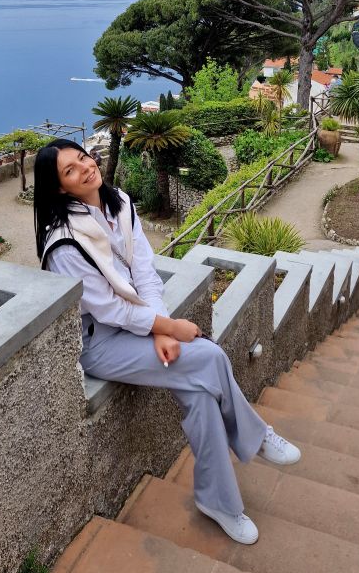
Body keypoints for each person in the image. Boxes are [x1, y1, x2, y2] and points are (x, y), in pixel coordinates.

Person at [34, 138, 301, 546]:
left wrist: (160, 327)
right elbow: (109, 312)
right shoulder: (64, 244)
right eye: (70, 170)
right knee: (209, 355)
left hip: (137, 321)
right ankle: (255, 434)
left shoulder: (119, 203)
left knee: (202, 399)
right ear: (59, 188)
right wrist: (172, 327)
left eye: (83, 157)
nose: (85, 167)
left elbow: (145, 272)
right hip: (101, 344)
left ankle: (220, 503)